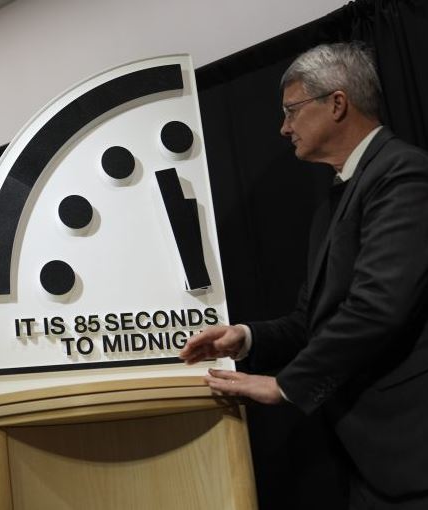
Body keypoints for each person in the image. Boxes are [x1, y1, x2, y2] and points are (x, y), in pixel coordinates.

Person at [180, 42, 428, 508]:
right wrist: (244, 338)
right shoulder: (336, 200)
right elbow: (310, 320)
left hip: (411, 450)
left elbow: (378, 308)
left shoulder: (403, 175)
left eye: (292, 111)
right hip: (365, 459)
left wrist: (285, 384)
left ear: (337, 103)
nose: (284, 127)